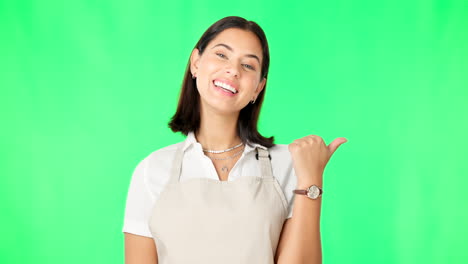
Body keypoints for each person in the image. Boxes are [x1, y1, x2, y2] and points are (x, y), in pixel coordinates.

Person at [122, 16, 347, 264]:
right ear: (195, 63)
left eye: (248, 65)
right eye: (221, 55)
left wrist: (311, 181)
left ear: (258, 88)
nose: (233, 70)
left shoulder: (287, 164)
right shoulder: (152, 171)